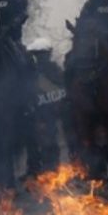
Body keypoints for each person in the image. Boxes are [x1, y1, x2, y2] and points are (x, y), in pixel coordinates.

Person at [25, 38, 66, 176]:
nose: (39, 58)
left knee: (50, 141)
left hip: (49, 114)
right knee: (31, 142)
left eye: (42, 54)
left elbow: (62, 90)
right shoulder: (31, 73)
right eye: (37, 54)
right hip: (35, 113)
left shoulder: (55, 71)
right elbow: (27, 91)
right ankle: (33, 169)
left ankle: (51, 168)